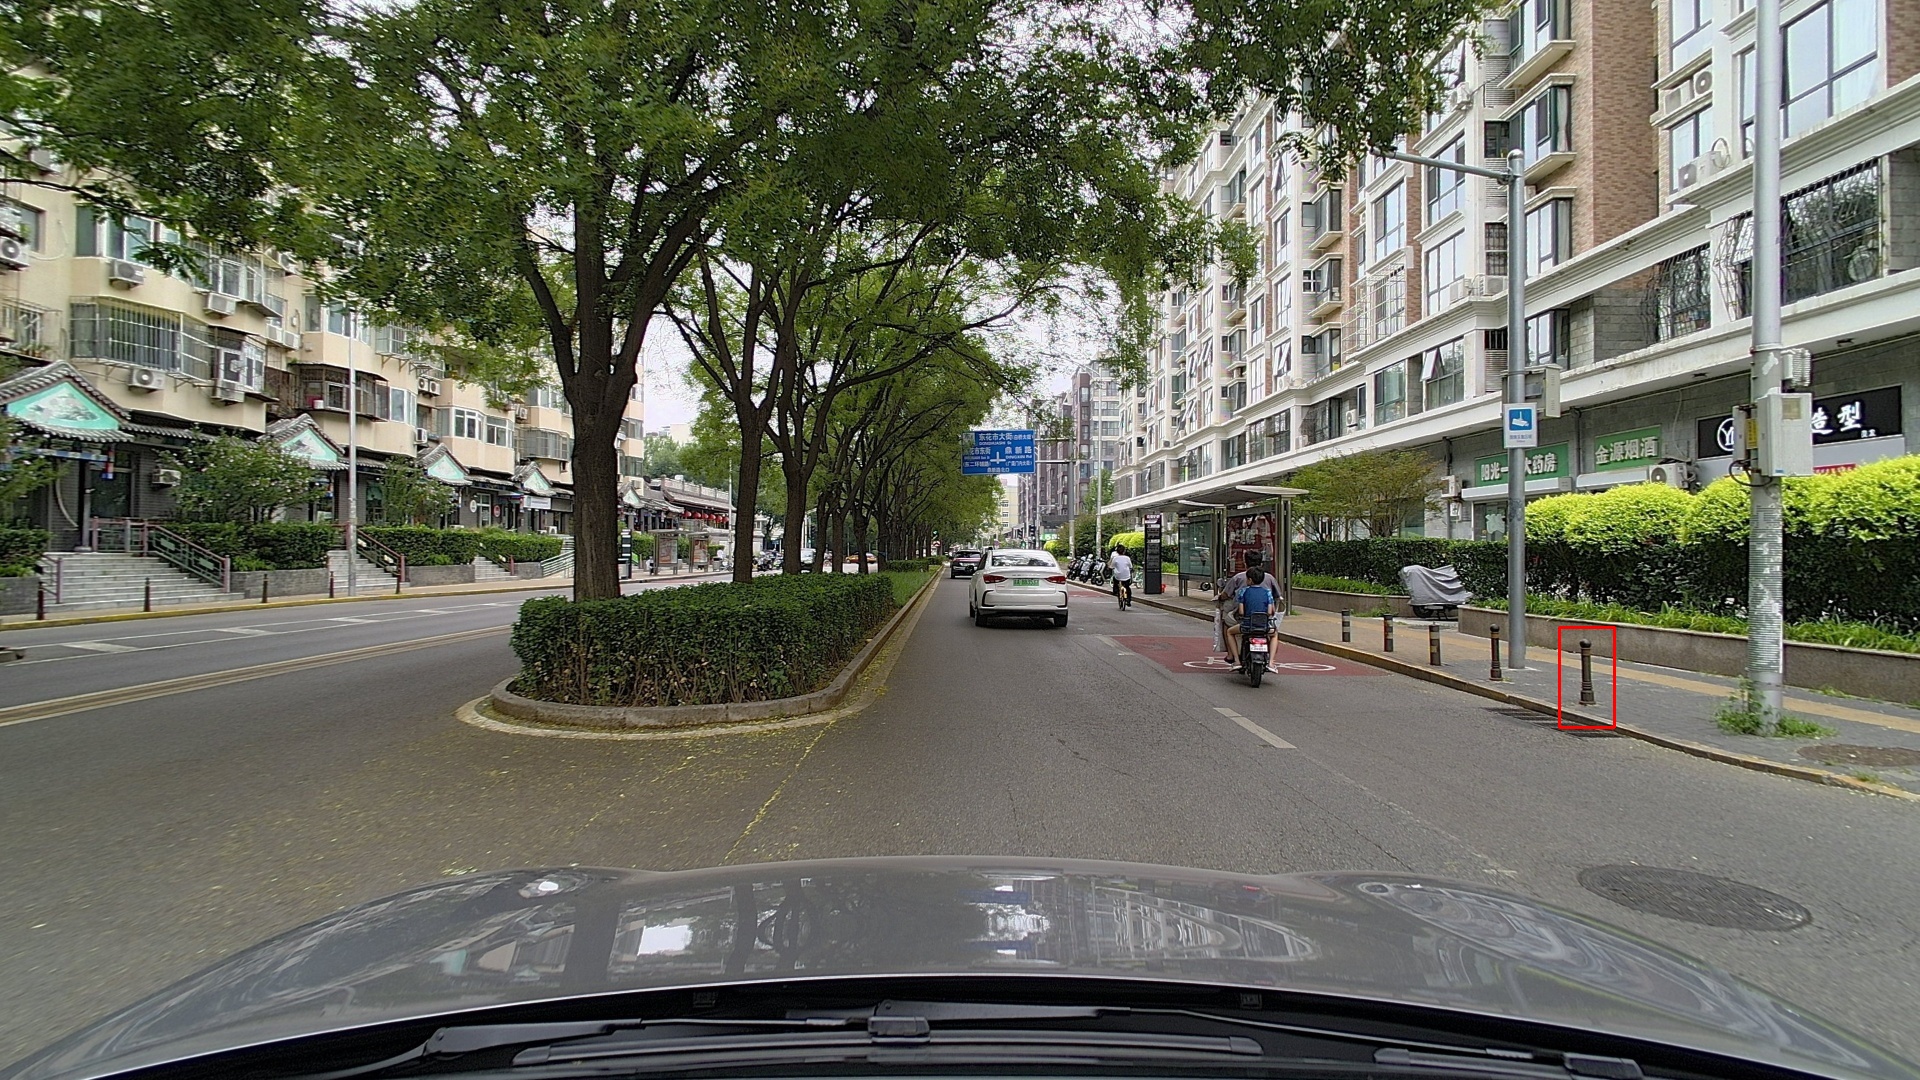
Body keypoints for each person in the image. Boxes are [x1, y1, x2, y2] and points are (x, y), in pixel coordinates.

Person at [1217, 553, 1264, 666]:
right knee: (1274, 634)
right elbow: (1276, 599)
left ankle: (1232, 656)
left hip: (1246, 622)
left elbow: (1227, 595)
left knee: (1227, 626)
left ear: (1245, 563)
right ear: (1261, 563)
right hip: (1264, 622)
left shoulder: (1239, 579)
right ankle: (1271, 661)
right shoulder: (1269, 580)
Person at [1235, 565, 1277, 672]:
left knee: (1229, 632)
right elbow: (1270, 612)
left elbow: (1241, 612)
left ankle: (1236, 661)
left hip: (1247, 626)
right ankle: (1271, 662)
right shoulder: (1267, 592)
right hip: (1264, 626)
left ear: (1250, 580)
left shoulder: (1243, 592)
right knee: (1274, 634)